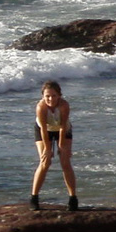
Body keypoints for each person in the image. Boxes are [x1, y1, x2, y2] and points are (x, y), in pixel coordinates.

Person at [30, 80, 78, 211]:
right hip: (44, 130)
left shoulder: (64, 105)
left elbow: (63, 127)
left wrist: (62, 146)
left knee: (65, 161)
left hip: (62, 129)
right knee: (45, 162)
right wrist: (47, 149)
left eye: (53, 96)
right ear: (43, 96)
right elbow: (43, 129)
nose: (50, 99)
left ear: (59, 96)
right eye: (47, 96)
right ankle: (34, 197)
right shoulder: (41, 107)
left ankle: (73, 198)